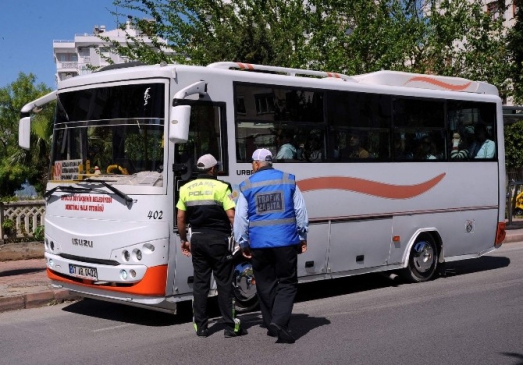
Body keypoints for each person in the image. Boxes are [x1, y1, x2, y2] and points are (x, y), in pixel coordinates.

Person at [234, 148, 309, 344]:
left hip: (259, 244)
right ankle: (279, 321)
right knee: (287, 283)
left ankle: (271, 325)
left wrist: (243, 242)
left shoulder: (247, 185)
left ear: (257, 164)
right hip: (286, 241)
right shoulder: (288, 180)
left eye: (252, 162)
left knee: (265, 284)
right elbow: (300, 211)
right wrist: (302, 236)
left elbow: (241, 218)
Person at [176, 154, 247, 338]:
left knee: (201, 283)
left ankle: (201, 326)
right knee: (224, 283)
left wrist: (184, 240)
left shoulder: (185, 188)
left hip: (197, 239)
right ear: (213, 169)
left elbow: (181, 218)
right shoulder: (223, 187)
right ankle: (230, 327)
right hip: (219, 240)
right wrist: (240, 240)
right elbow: (232, 216)